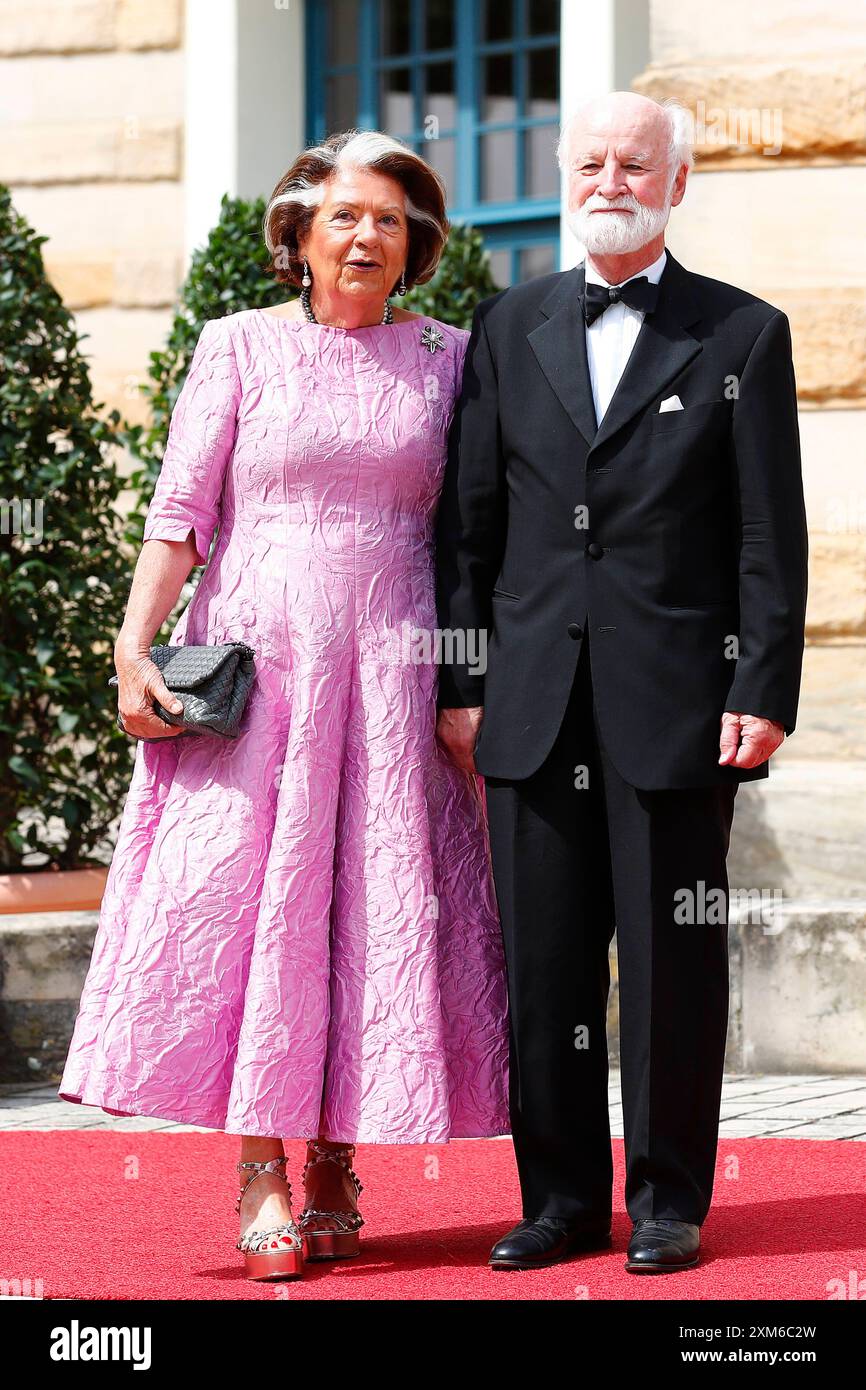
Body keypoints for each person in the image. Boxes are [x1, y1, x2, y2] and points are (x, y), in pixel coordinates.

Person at [58, 130, 510, 1282]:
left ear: (416, 247)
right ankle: (259, 1161)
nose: (367, 236)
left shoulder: (454, 358)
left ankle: (335, 1155)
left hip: (399, 669)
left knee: (370, 900)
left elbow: (473, 531)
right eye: (346, 216)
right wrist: (130, 650)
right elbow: (179, 517)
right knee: (256, 904)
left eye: (390, 222)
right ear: (297, 236)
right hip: (262, 671)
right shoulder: (236, 348)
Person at [434, 91, 808, 1273]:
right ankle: (555, 1201)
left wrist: (764, 686)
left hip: (680, 707)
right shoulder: (504, 326)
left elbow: (766, 535)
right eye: (587, 161)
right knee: (542, 968)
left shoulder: (742, 334)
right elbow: (464, 531)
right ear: (563, 173)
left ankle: (665, 1202)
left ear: (675, 182)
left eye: (631, 164)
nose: (608, 179)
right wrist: (460, 680)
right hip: (530, 705)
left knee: (668, 967)